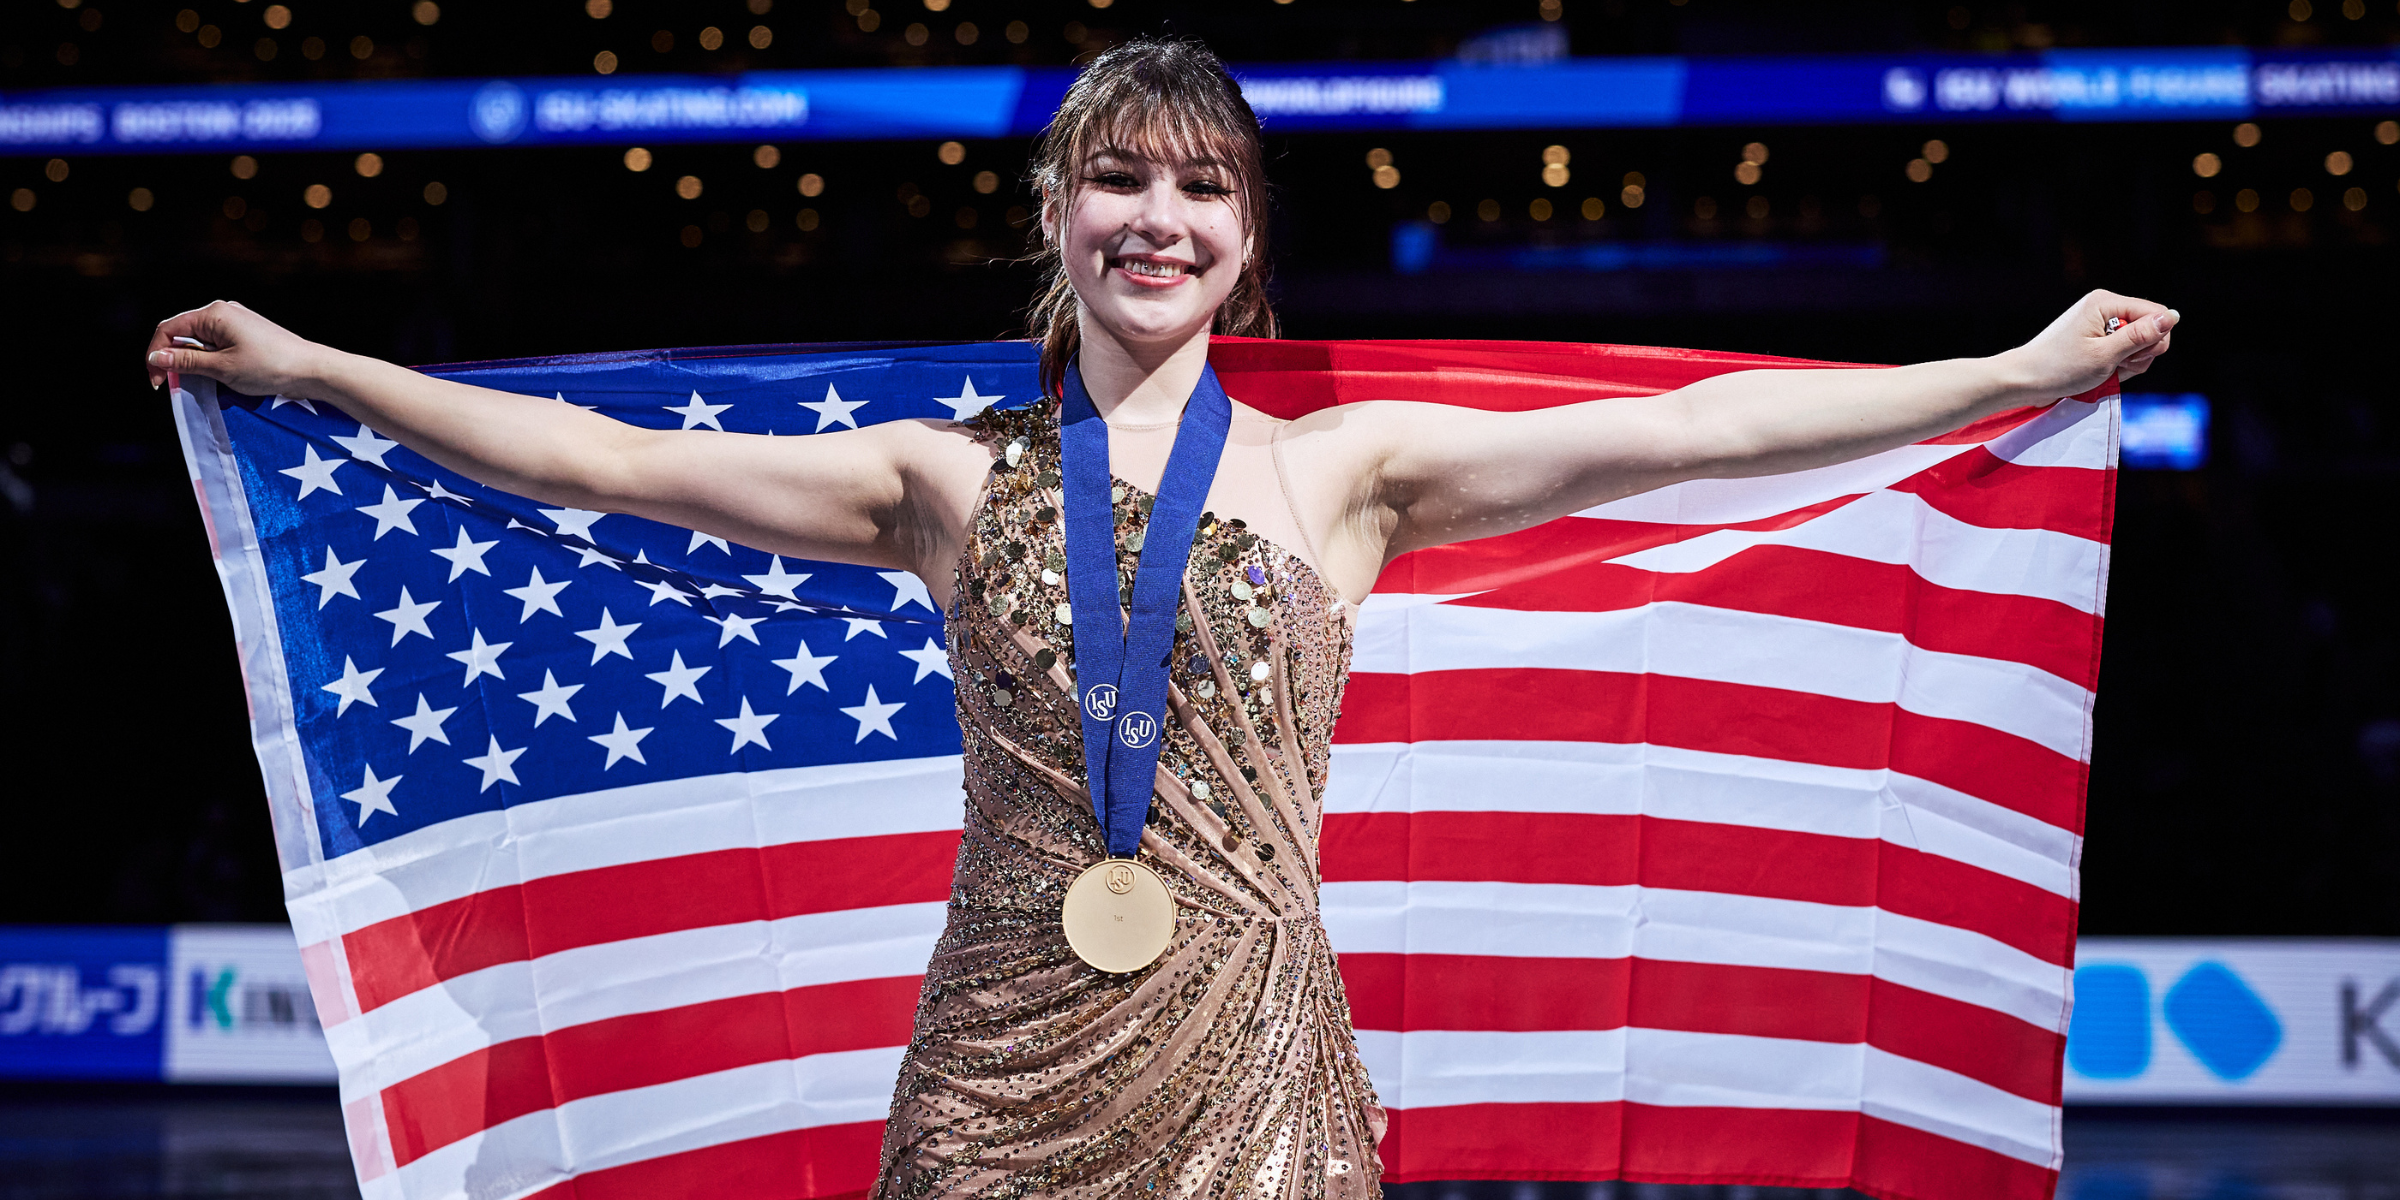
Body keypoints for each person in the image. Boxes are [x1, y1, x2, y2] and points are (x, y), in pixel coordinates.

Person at [145, 36, 2174, 1200]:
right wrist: (324, 364)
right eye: (1117, 177)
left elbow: (1704, 427)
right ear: (1055, 213)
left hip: (1262, 1074)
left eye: (1199, 187)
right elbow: (593, 460)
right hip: (997, 1077)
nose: (1157, 218)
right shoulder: (935, 479)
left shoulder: (1345, 474)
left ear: (1245, 234)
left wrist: (2004, 373)